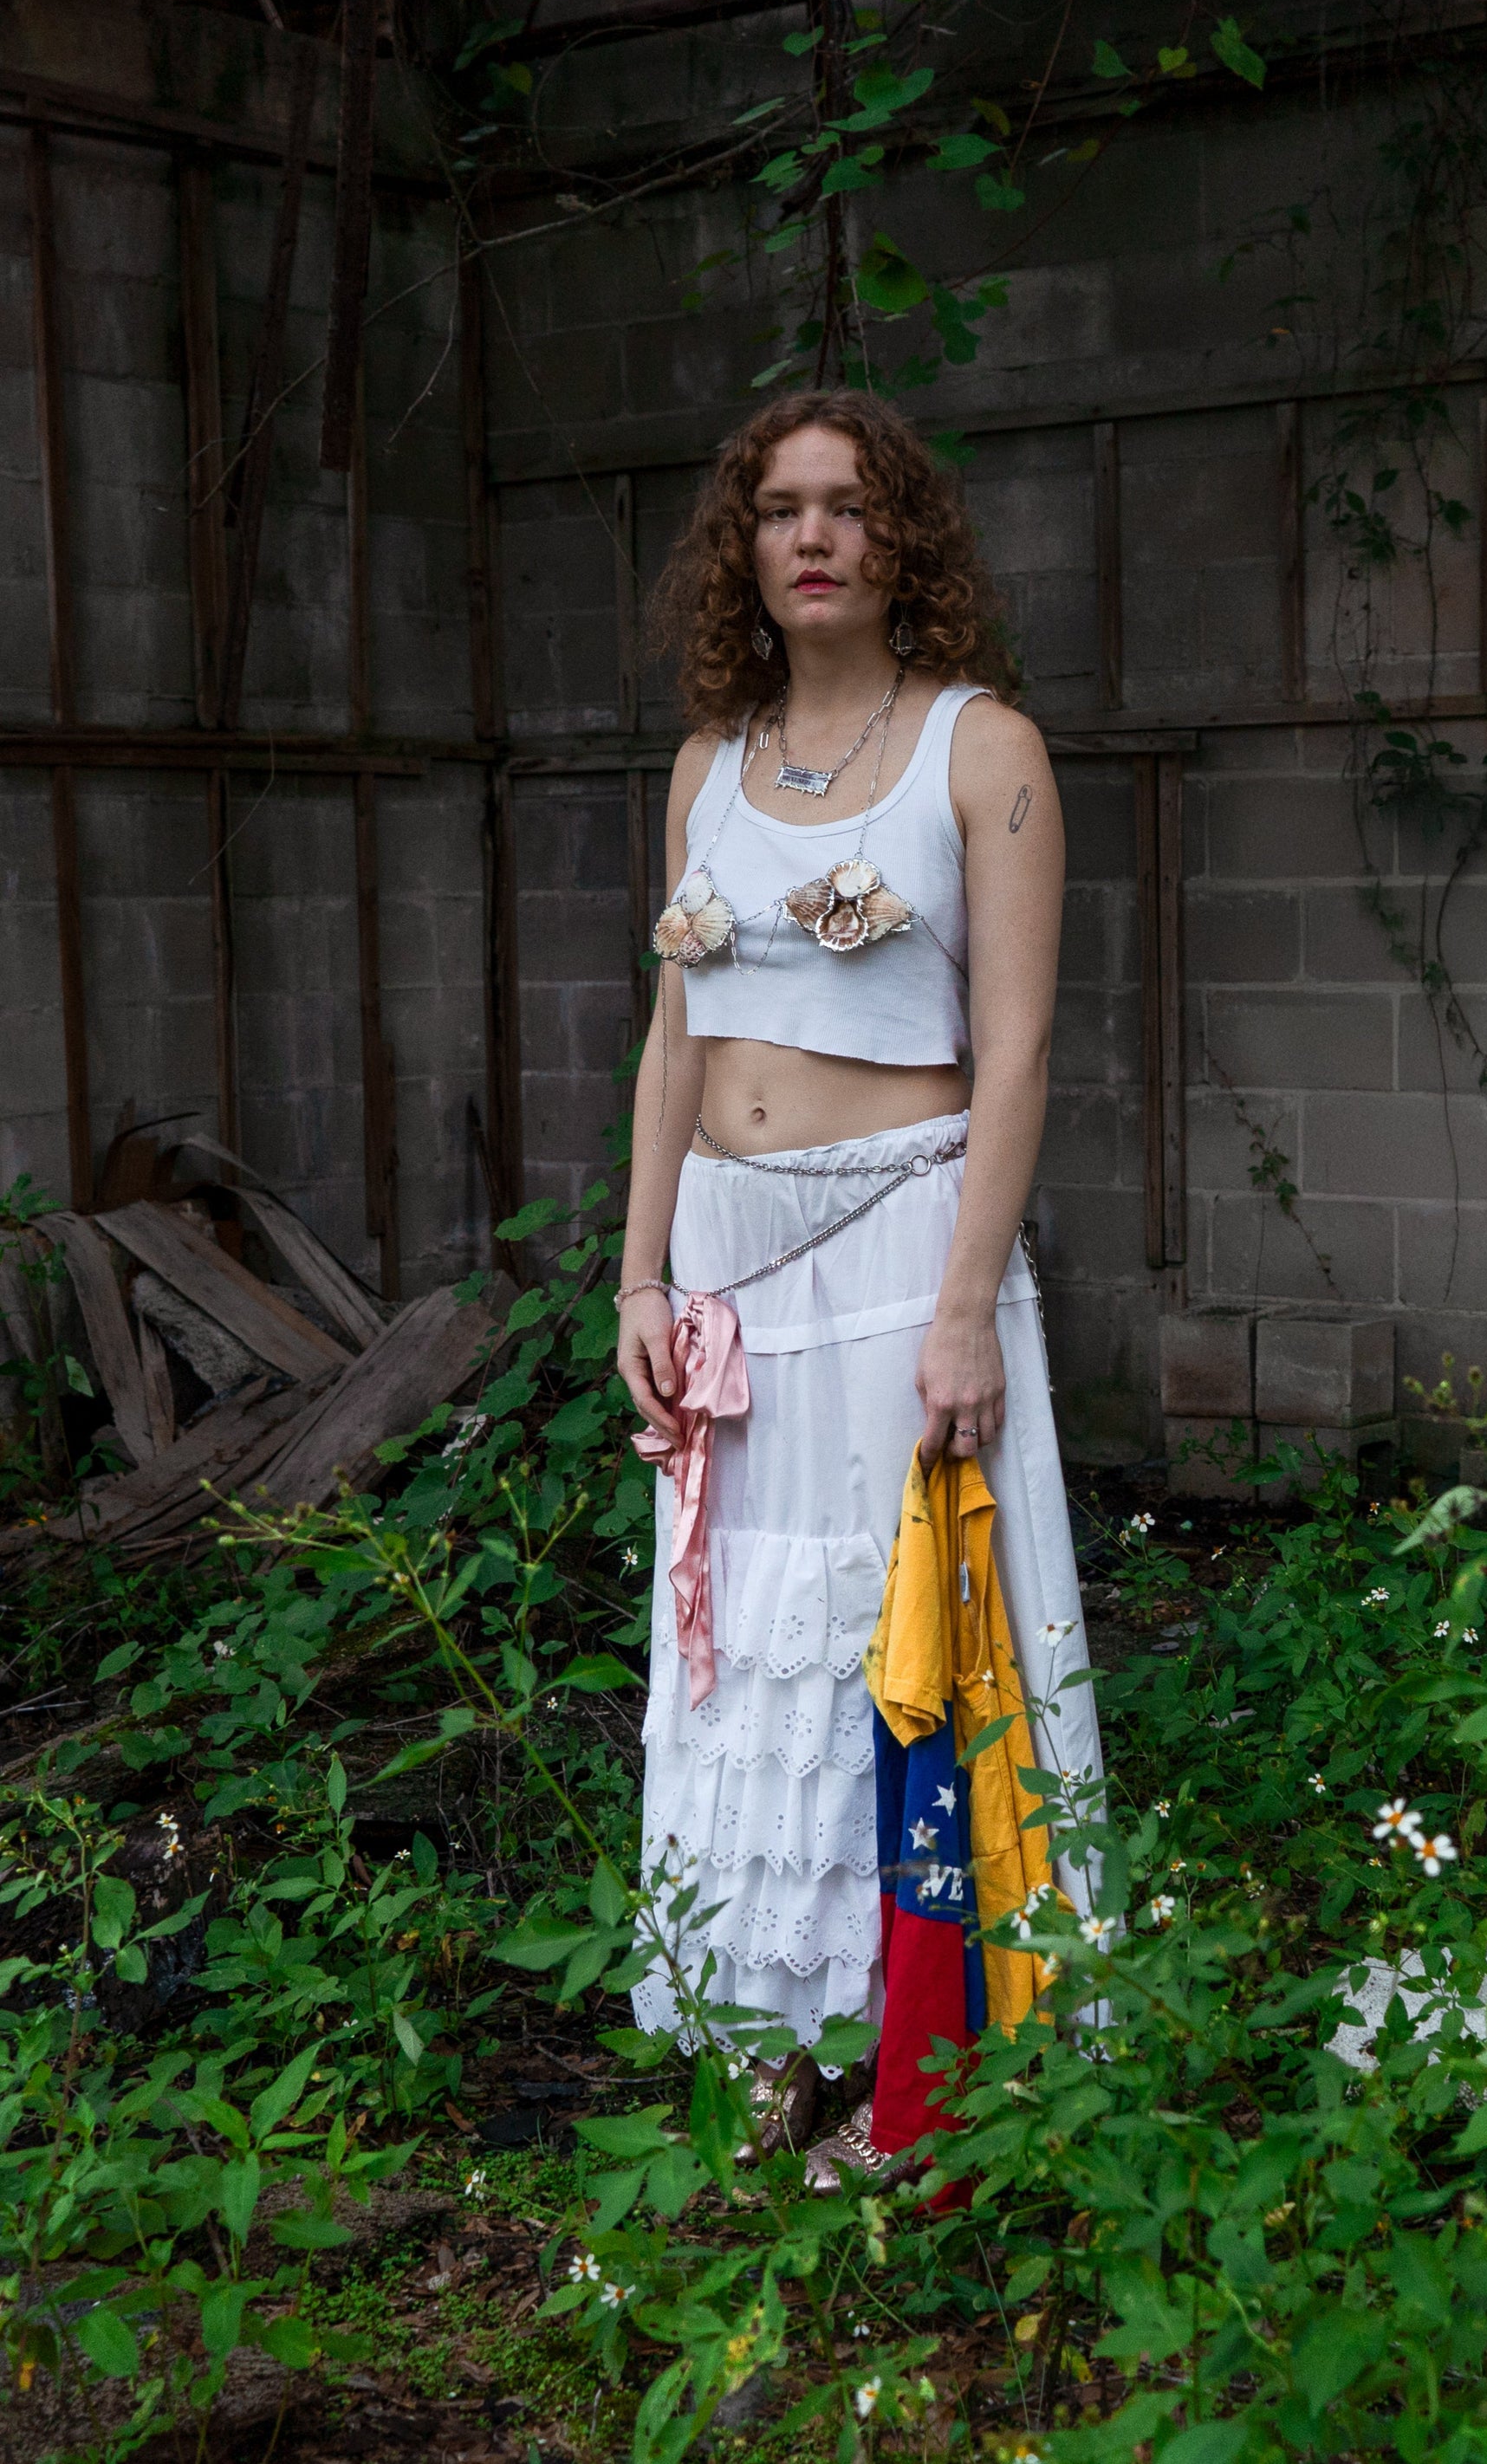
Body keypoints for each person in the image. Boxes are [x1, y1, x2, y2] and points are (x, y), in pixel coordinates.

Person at [616, 387, 1102, 2185]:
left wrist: (967, 1303)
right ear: (742, 549)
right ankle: (780, 2033)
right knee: (747, 1652)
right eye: (777, 508)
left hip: (904, 1253)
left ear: (901, 538)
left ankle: (927, 2067)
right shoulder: (705, 765)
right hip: (731, 1267)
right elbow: (673, 1040)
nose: (811, 535)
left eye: (845, 503)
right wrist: (639, 1275)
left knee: (901, 1646)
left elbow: (1018, 1049)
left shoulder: (983, 749)